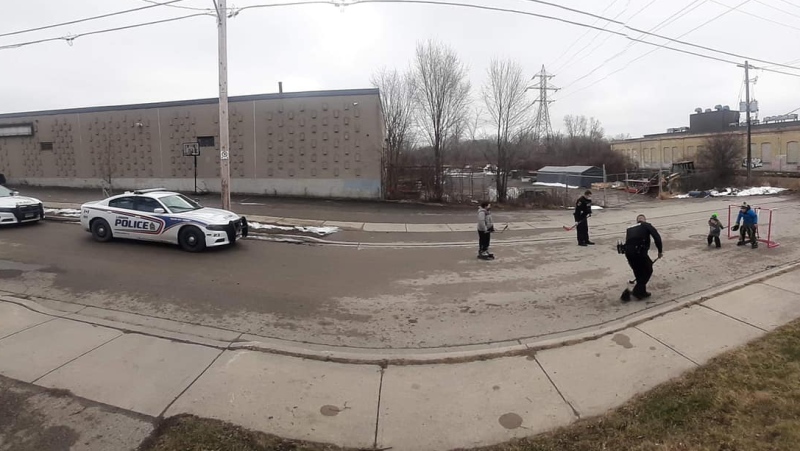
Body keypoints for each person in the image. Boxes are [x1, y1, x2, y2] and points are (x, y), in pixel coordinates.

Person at [621, 214, 663, 301]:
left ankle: (641, 292)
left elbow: (628, 241)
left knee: (639, 272)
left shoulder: (630, 228)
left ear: (637, 221)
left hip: (628, 253)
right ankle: (636, 291)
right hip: (639, 252)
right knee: (648, 270)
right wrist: (660, 251)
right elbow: (657, 237)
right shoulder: (646, 225)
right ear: (644, 220)